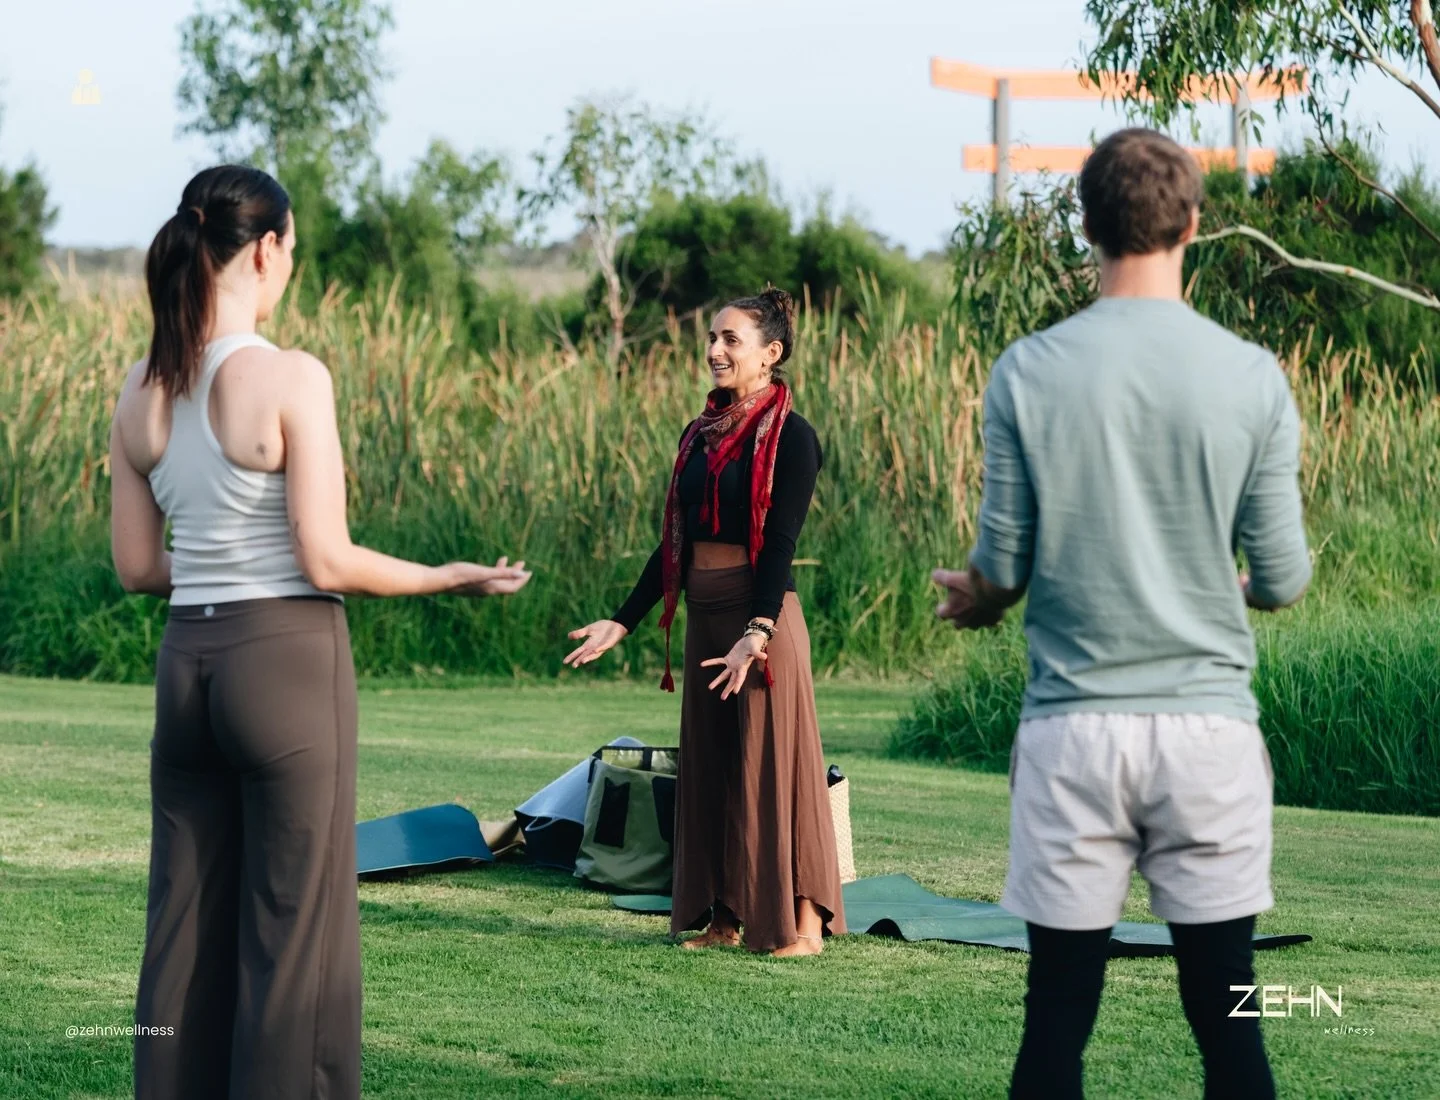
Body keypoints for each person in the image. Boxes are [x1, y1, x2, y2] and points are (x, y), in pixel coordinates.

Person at [110, 164, 531, 1100]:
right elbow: (328, 558)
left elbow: (139, 569)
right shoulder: (291, 377)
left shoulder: (140, 390)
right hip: (285, 666)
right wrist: (445, 576)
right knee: (292, 932)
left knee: (181, 924)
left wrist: (220, 563)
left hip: (187, 670)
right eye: (292, 248)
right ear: (266, 251)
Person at [933, 128, 1311, 1100]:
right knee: (1231, 1016)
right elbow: (1281, 576)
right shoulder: (1254, 376)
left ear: (1086, 223)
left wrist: (977, 598)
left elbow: (1003, 567)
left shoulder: (1028, 368)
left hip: (1074, 734)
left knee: (1056, 1015)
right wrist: (1208, 587)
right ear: (1193, 222)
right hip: (1207, 736)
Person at [563, 286, 846, 957]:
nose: (715, 352)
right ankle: (724, 917)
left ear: (771, 354)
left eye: (731, 341)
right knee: (715, 768)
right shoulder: (701, 435)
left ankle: (803, 925)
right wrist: (625, 621)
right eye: (712, 339)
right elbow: (676, 542)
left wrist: (759, 631)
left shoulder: (794, 438)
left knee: (775, 768)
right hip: (705, 616)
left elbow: (779, 543)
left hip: (761, 620)